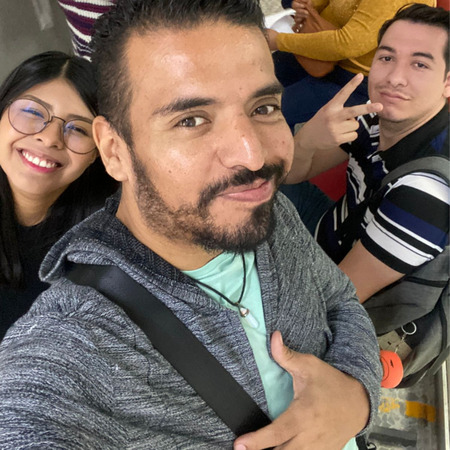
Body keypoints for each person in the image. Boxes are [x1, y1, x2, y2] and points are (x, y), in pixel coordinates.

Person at [0, 1, 382, 449]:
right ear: (115, 150)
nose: (253, 157)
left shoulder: (266, 210)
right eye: (191, 119)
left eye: (263, 107)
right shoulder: (71, 347)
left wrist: (356, 395)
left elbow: (338, 299)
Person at [285, 3, 450, 303]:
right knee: (254, 179)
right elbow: (291, 173)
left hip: (339, 286)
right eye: (386, 57)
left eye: (419, 64)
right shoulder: (374, 118)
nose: (394, 78)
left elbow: (334, 302)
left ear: (447, 83)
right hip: (330, 230)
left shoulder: (427, 193)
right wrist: (307, 140)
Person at [0, 51, 118, 341]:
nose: (51, 138)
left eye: (78, 129)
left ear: (97, 152)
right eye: (32, 113)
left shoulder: (106, 241)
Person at [266, 0, 435, 130]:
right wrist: (308, 6)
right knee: (262, 80)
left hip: (354, 77)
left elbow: (347, 44)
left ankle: (280, 162)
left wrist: (279, 41)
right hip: (322, 53)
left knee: (273, 112)